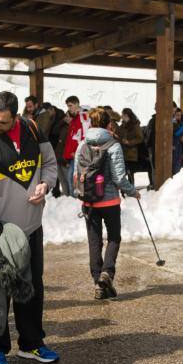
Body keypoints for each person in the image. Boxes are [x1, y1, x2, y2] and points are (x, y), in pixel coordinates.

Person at [0, 91, 59, 364]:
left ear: (16, 117)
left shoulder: (33, 129)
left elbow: (51, 165)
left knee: (32, 287)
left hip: (32, 226)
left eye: (2, 122)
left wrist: (46, 184)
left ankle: (31, 344)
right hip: (0, 230)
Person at [74, 108, 139, 299]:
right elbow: (119, 178)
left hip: (89, 202)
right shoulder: (113, 145)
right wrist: (132, 191)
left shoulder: (82, 145)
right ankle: (106, 273)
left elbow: (77, 175)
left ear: (91, 123)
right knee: (114, 238)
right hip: (109, 201)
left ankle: (98, 283)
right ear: (108, 124)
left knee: (94, 241)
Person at [62, 95, 89, 196]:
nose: (69, 108)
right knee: (71, 178)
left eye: (70, 105)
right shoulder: (74, 119)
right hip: (73, 154)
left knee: (72, 178)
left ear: (77, 104)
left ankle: (75, 200)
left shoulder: (83, 117)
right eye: (68, 106)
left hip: (79, 154)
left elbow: (84, 136)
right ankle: (72, 201)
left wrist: (78, 151)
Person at [117, 108, 145, 183]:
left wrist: (129, 142)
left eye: (123, 115)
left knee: (130, 172)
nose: (121, 116)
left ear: (127, 115)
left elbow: (140, 138)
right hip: (122, 152)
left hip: (131, 153)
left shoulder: (135, 125)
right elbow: (118, 135)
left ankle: (131, 188)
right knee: (124, 172)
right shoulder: (122, 125)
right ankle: (127, 188)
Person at [50, 107, 69, 197]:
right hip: (59, 155)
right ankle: (66, 198)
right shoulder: (63, 126)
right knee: (62, 179)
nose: (67, 118)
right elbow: (55, 131)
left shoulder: (73, 127)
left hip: (67, 157)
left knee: (68, 179)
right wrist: (62, 122)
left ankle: (71, 199)